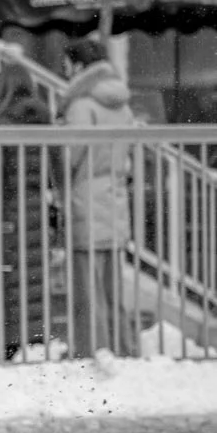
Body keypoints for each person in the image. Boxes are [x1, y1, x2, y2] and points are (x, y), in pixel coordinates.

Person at [0, 62, 59, 359]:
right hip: (35, 210)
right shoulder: (42, 122)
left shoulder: (1, 125)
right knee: (32, 279)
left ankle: (10, 344)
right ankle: (35, 342)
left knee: (6, 281)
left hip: (7, 213)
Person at [60, 37, 135, 357]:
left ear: (78, 65)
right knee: (112, 287)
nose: (63, 70)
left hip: (85, 199)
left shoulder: (81, 105)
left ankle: (93, 351)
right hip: (115, 198)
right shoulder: (121, 103)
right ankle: (124, 348)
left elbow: (70, 156)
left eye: (66, 63)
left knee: (86, 287)